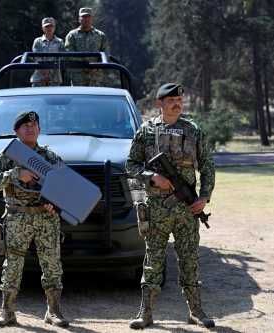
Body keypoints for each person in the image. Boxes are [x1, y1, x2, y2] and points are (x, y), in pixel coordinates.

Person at [126, 83, 216, 329]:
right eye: (171, 100)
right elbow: (131, 165)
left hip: (188, 209)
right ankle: (146, 314)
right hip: (156, 208)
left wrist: (204, 197)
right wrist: (152, 177)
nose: (177, 103)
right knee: (153, 261)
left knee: (189, 260)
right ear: (160, 104)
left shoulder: (194, 130)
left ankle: (196, 311)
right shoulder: (146, 131)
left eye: (179, 99)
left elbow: (207, 165)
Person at [0, 111, 69, 328]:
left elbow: (66, 186)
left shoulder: (50, 157)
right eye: (25, 125)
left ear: (39, 130)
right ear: (17, 131)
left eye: (34, 125)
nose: (31, 128)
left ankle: (54, 311)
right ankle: (8, 312)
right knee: (12, 265)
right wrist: (16, 174)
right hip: (17, 217)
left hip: (46, 218)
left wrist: (56, 201)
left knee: (52, 264)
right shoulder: (7, 156)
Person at [64, 7, 108, 86]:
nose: (86, 19)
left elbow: (106, 54)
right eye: (83, 17)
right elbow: (69, 53)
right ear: (79, 19)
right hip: (78, 76)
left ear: (92, 18)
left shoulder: (100, 35)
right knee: (78, 98)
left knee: (96, 98)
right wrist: (85, 65)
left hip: (96, 77)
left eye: (88, 17)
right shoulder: (72, 35)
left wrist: (96, 67)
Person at [30, 17, 65, 86]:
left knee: (54, 96)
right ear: (43, 28)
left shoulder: (60, 42)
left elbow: (61, 58)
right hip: (39, 78)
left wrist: (50, 70)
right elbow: (36, 57)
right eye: (46, 26)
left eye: (51, 26)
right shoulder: (38, 41)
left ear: (54, 28)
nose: (49, 28)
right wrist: (44, 70)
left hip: (55, 78)